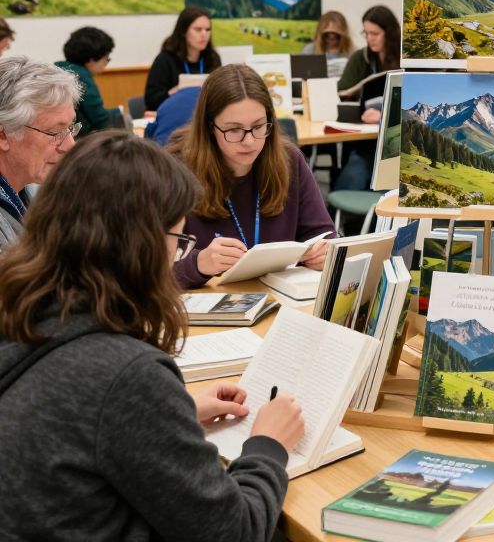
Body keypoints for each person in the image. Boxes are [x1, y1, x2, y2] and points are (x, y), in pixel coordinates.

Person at [0, 131, 305, 541]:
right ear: (139, 244)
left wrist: (171, 413)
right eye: (178, 239)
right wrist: (269, 444)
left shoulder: (25, 312)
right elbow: (237, 530)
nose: (177, 255)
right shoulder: (124, 373)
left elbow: (79, 418)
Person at [170, 64, 335, 288]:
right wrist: (197, 263)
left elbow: (323, 235)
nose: (249, 141)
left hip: (279, 301)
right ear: (210, 127)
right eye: (234, 130)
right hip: (207, 310)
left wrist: (324, 253)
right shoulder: (174, 170)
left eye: (258, 126)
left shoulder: (288, 160)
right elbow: (146, 273)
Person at [0, 56, 82, 249]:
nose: (70, 146)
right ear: (3, 135)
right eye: (54, 132)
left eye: (70, 128)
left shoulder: (31, 188)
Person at [333, 5, 401, 192]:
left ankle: (369, 216)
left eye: (375, 33)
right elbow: (341, 92)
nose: (369, 38)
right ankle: (343, 217)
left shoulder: (405, 58)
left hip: (396, 139)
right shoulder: (359, 58)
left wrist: (382, 116)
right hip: (364, 136)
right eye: (366, 33)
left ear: (390, 32)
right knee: (356, 167)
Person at [145, 5, 222, 111]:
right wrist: (175, 92)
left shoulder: (213, 58)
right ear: (184, 32)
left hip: (205, 116)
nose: (204, 34)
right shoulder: (165, 59)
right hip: (174, 116)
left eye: (207, 30)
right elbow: (151, 101)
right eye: (198, 30)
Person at [55, 25, 125, 137]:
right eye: (106, 58)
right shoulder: (81, 77)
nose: (106, 64)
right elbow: (101, 120)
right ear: (92, 59)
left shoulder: (58, 68)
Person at [302, 10, 354, 78]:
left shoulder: (352, 51)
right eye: (327, 34)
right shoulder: (309, 50)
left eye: (335, 34)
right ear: (320, 34)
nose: (331, 37)